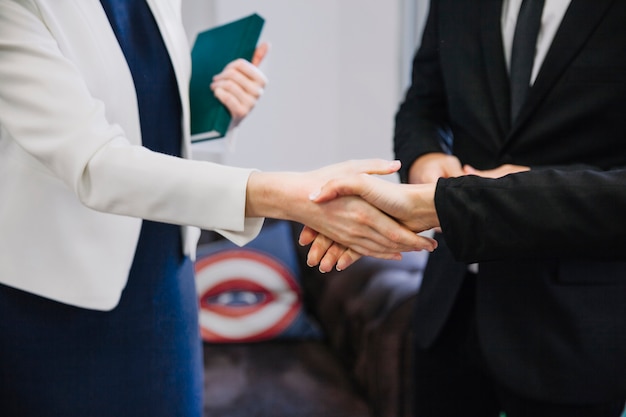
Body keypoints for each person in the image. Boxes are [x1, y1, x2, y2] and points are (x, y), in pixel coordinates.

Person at [0, 1, 436, 416]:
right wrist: (289, 195)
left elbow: (149, 130)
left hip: (166, 276)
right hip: (59, 302)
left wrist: (215, 113)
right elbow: (97, 163)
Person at [305, 0, 626, 416]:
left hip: (570, 331)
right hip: (450, 310)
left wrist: (469, 201)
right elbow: (423, 104)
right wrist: (424, 161)